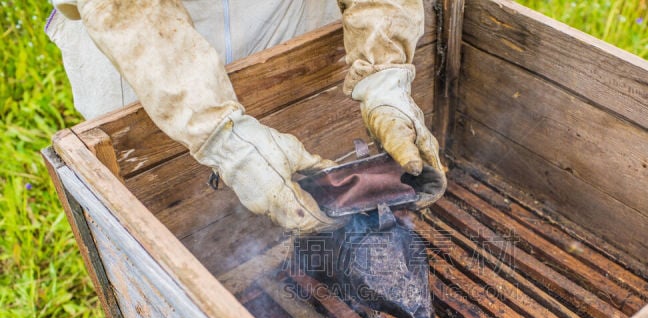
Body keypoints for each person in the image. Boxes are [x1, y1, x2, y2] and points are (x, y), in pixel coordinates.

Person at [45, 0, 445, 234]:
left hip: (284, 19)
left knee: (303, 197)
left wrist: (384, 71)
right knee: (173, 233)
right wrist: (222, 137)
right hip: (143, 46)